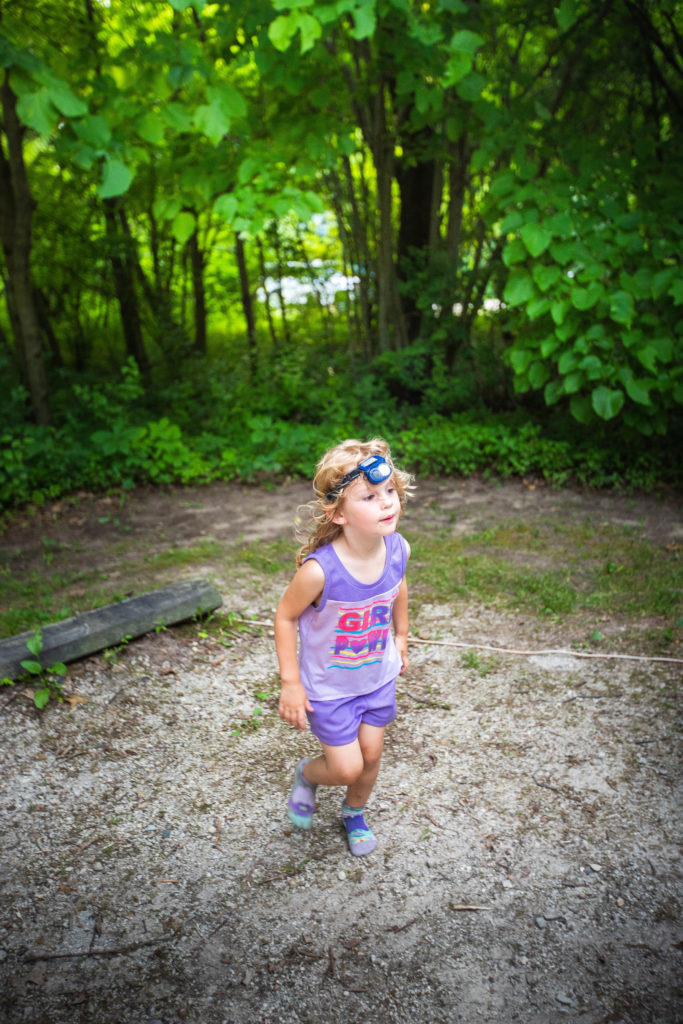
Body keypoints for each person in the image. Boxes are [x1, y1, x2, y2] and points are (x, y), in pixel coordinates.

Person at [275, 438, 413, 856]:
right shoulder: (320, 572)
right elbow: (284, 616)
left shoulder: (397, 549)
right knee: (346, 765)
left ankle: (354, 813)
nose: (387, 502)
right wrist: (290, 683)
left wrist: (402, 635)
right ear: (339, 514)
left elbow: (399, 588)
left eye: (390, 491)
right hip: (330, 688)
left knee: (370, 756)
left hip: (376, 677)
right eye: (369, 496)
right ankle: (308, 775)